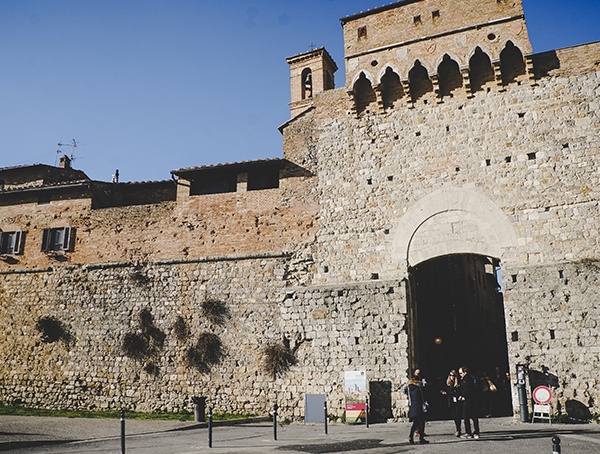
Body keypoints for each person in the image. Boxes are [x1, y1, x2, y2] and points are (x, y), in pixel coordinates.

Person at [406, 374, 430, 444]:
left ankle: (411, 437)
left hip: (413, 408)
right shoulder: (418, 388)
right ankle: (421, 438)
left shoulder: (410, 388)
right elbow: (423, 396)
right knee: (421, 423)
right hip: (419, 408)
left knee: (415, 424)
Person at [458, 366, 480, 439]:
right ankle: (476, 432)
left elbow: (468, 389)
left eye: (461, 373)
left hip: (468, 400)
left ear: (465, 372)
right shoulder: (471, 378)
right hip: (473, 400)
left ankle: (469, 432)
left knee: (466, 416)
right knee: (474, 417)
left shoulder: (467, 379)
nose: (460, 375)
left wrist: (463, 395)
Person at [441, 370, 462, 436]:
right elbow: (447, 391)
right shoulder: (449, 383)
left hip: (458, 401)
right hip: (451, 401)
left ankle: (458, 430)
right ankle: (457, 429)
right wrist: (444, 392)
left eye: (453, 375)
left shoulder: (458, 383)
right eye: (450, 375)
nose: (451, 377)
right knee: (454, 416)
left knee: (458, 415)